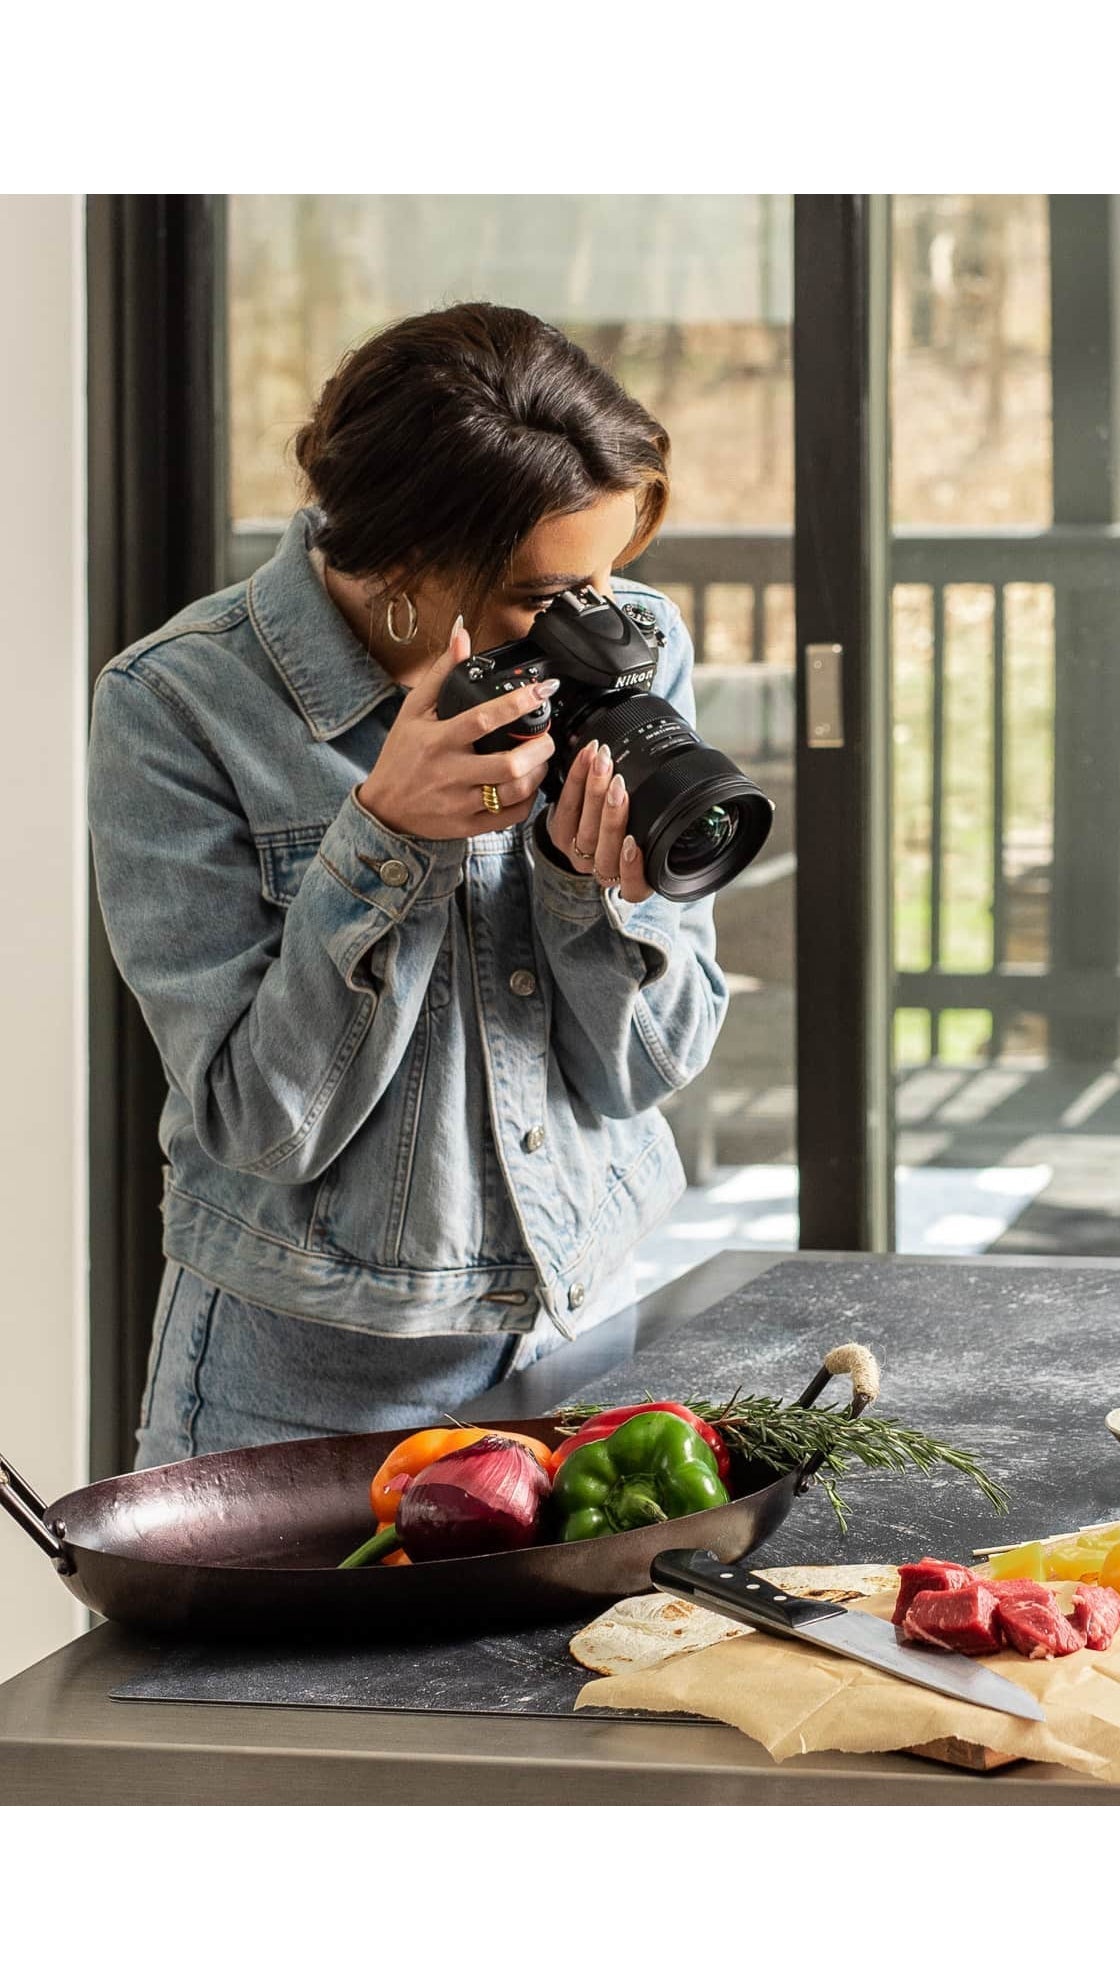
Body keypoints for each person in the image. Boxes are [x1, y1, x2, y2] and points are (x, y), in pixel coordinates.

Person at [88, 303, 728, 1466]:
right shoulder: (177, 706)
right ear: (403, 566)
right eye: (545, 597)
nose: (593, 624)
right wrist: (385, 839)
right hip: (306, 1385)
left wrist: (588, 891)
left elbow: (647, 1070)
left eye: (606, 577)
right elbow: (258, 1125)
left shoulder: (632, 643)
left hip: (585, 1332)